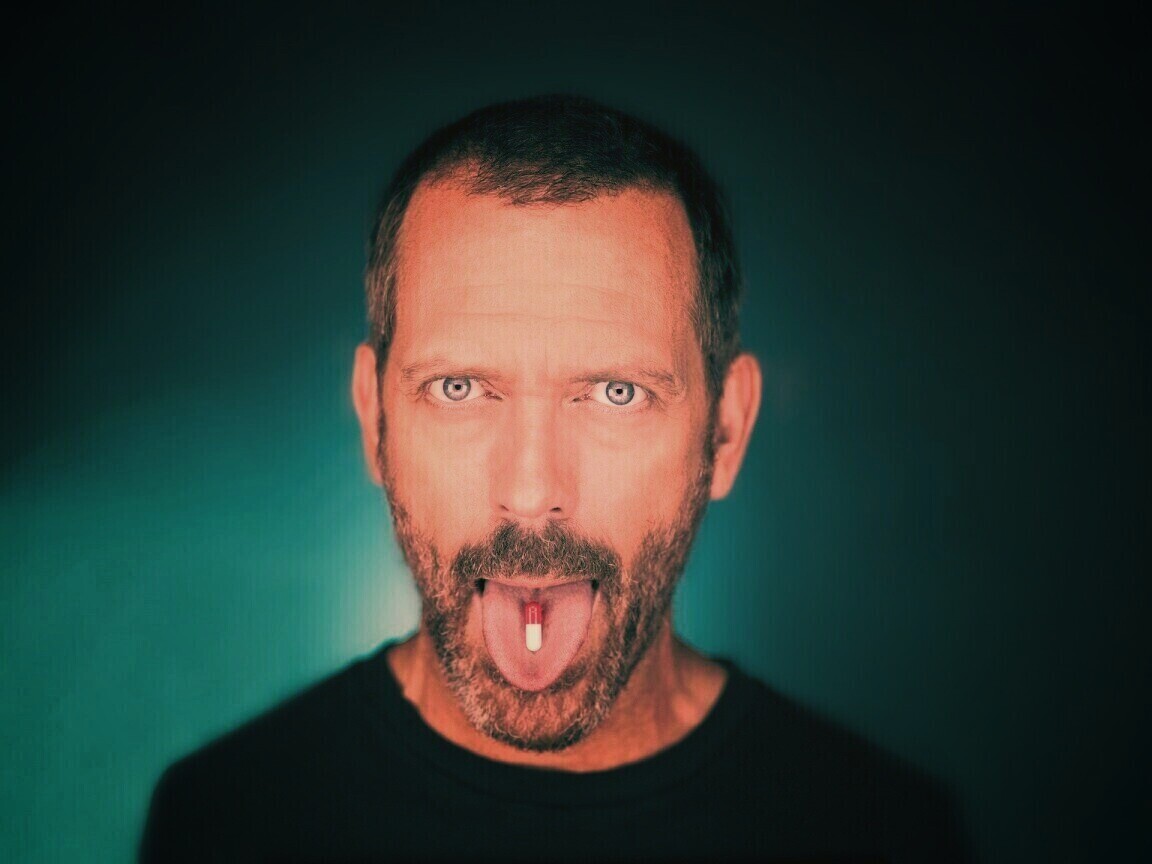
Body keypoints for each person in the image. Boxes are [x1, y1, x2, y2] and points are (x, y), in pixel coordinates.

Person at [140, 94, 969, 863]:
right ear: (373, 419)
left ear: (725, 431)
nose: (533, 493)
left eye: (616, 393)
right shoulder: (225, 819)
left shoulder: (888, 836)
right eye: (458, 388)